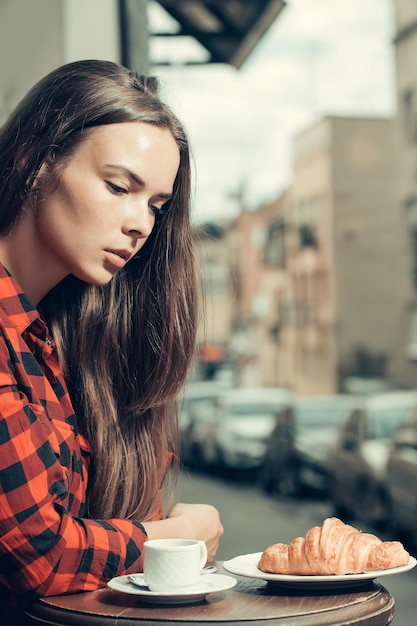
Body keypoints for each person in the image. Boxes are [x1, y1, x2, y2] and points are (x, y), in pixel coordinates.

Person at [0, 59, 223, 623]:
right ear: (33, 161)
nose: (140, 225)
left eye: (155, 205)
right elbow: (39, 557)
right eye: (118, 186)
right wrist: (165, 538)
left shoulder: (52, 337)